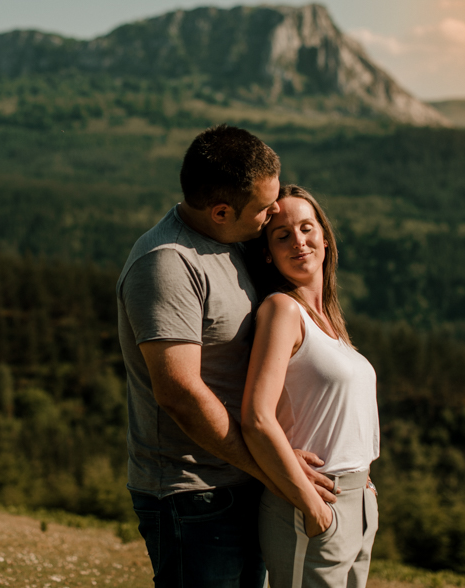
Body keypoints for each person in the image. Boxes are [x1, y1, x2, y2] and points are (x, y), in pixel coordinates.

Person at [117, 126, 338, 587]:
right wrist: (276, 470)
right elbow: (180, 394)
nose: (274, 212)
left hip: (242, 480)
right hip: (195, 494)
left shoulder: (234, 239)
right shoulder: (167, 263)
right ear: (221, 212)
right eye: (265, 207)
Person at [242, 185, 380, 588]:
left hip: (358, 502)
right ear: (268, 253)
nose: (299, 241)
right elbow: (256, 418)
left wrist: (364, 488)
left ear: (325, 236)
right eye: (282, 235)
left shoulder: (329, 321)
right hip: (314, 505)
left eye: (306, 228)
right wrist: (311, 505)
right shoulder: (282, 309)